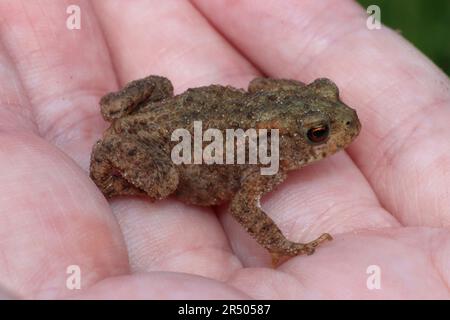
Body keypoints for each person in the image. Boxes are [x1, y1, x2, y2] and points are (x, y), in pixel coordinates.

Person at [0, 0, 449, 299]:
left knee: (159, 87)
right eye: (319, 132)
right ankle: (125, 173)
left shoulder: (268, 130)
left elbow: (259, 85)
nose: (342, 128)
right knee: (165, 178)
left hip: (158, 113)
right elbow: (245, 209)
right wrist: (285, 246)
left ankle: (124, 118)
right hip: (150, 145)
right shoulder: (266, 159)